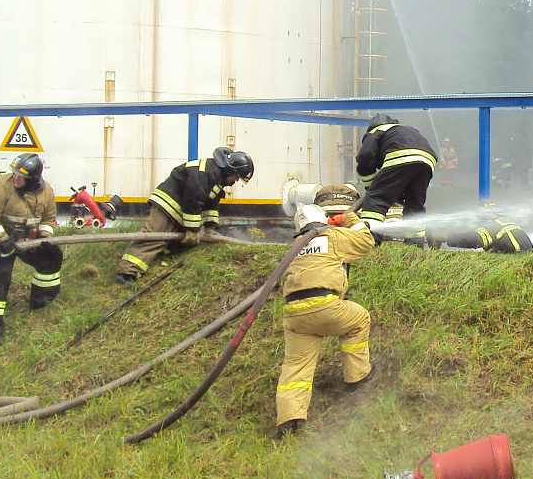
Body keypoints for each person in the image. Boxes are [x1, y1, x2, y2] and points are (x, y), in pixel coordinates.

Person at [275, 189, 381, 438]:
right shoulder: (331, 236)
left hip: (294, 314)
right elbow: (366, 241)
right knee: (359, 319)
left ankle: (288, 420)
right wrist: (349, 219)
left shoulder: (295, 247)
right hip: (324, 305)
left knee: (296, 365)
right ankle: (357, 376)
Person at [117, 147, 254, 284]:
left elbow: (211, 204)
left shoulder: (216, 178)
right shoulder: (205, 172)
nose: (236, 181)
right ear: (231, 170)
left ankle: (153, 259)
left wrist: (210, 227)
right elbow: (194, 199)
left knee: (176, 242)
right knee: (152, 237)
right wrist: (192, 230)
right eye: (237, 176)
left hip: (178, 209)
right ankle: (127, 273)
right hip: (167, 204)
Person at [0, 153, 61, 345]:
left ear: (33, 179)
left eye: (21, 176)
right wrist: (3, 241)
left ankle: (42, 304)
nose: (15, 177)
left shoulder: (46, 191)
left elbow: (48, 219)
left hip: (27, 240)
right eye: (14, 173)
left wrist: (44, 238)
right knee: (0, 279)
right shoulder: (0, 187)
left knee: (52, 258)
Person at [355, 113, 437, 223]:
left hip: (401, 156)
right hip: (427, 161)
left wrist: (370, 187)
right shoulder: (405, 130)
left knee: (377, 198)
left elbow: (365, 157)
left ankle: (369, 230)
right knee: (415, 203)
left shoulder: (376, 131)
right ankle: (415, 234)